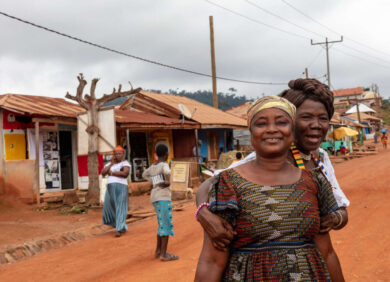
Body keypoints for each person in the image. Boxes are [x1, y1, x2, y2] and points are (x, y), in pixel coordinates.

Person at [196, 79, 348, 278]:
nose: (316, 125)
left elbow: (332, 234)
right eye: (306, 117)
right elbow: (211, 184)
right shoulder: (239, 175)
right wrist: (203, 212)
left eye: (323, 118)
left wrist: (334, 217)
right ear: (250, 133)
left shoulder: (318, 168)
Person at [142, 144, 178, 262]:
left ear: (156, 154)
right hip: (163, 197)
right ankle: (163, 254)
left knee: (161, 224)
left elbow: (144, 174)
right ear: (167, 155)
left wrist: (154, 181)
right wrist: (167, 182)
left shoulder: (153, 166)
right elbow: (167, 172)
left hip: (155, 197)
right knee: (166, 224)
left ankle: (158, 251)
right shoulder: (164, 164)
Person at [101, 146, 131, 237]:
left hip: (121, 187)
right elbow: (103, 173)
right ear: (113, 155)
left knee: (120, 207)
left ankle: (118, 229)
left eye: (119, 153)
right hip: (110, 188)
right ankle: (117, 223)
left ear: (122, 154)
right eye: (116, 153)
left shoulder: (125, 163)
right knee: (111, 206)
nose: (117, 155)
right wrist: (111, 164)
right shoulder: (109, 164)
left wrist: (112, 173)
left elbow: (125, 174)